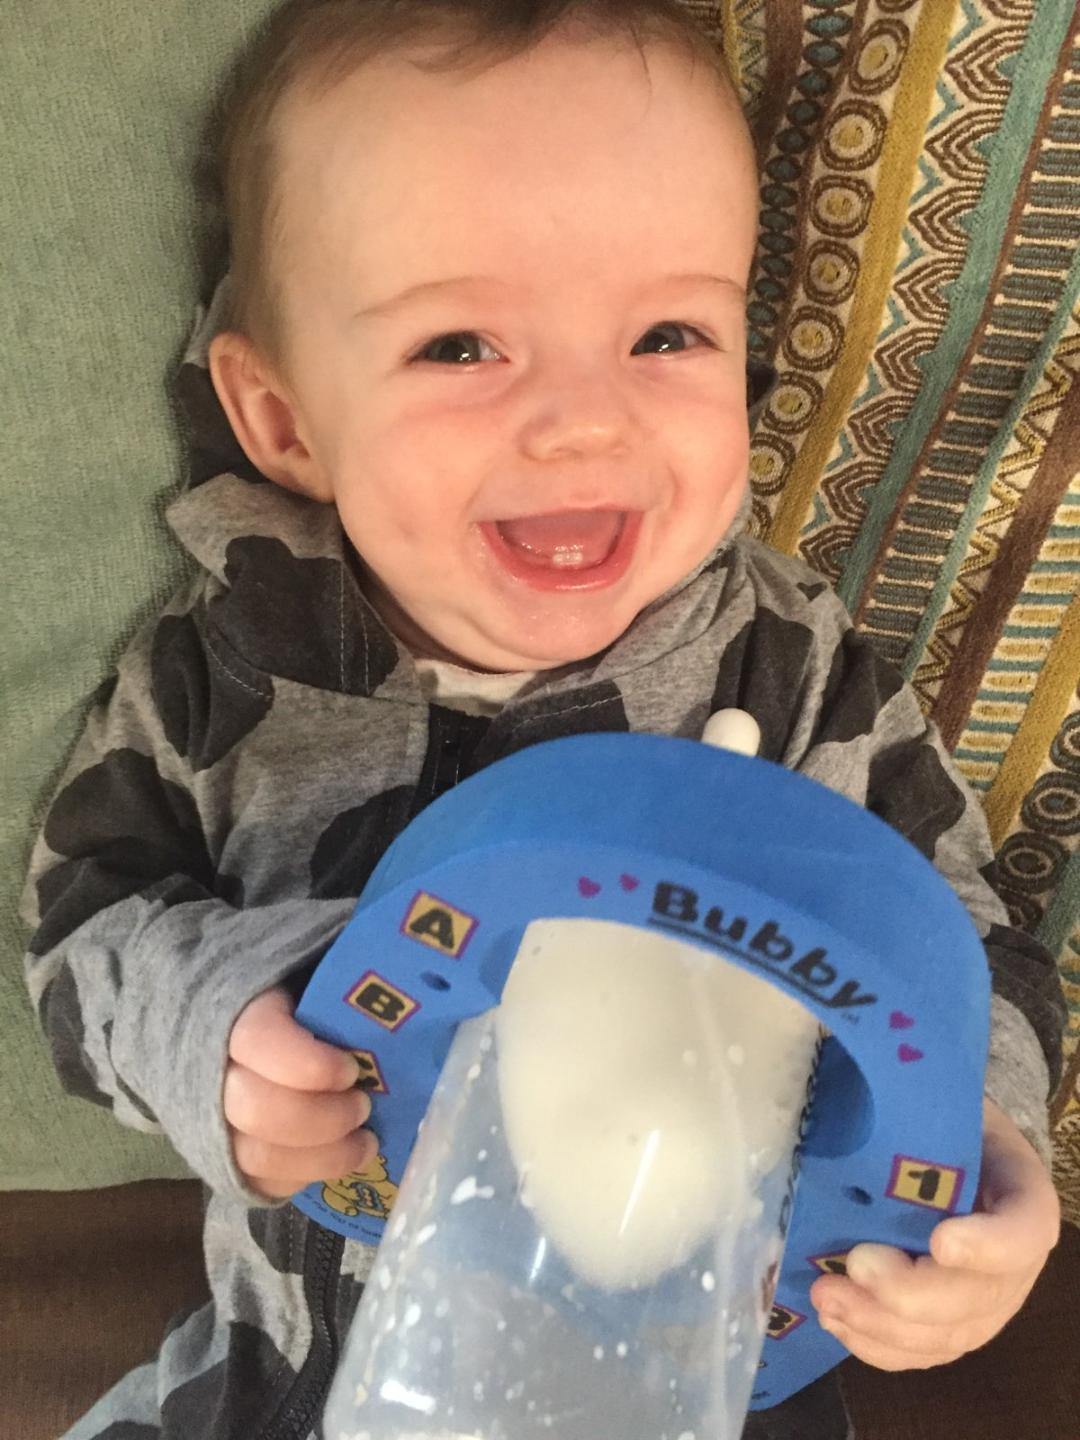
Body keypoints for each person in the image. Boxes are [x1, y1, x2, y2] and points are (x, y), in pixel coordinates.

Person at [21, 2, 1065, 1437]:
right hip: (302, 1362)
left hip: (705, 1365)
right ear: (282, 420)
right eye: (461, 345)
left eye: (666, 334)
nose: (586, 420)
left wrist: (989, 1150)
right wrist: (214, 1038)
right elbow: (84, 946)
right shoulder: (230, 678)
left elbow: (975, 946)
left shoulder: (790, 667)